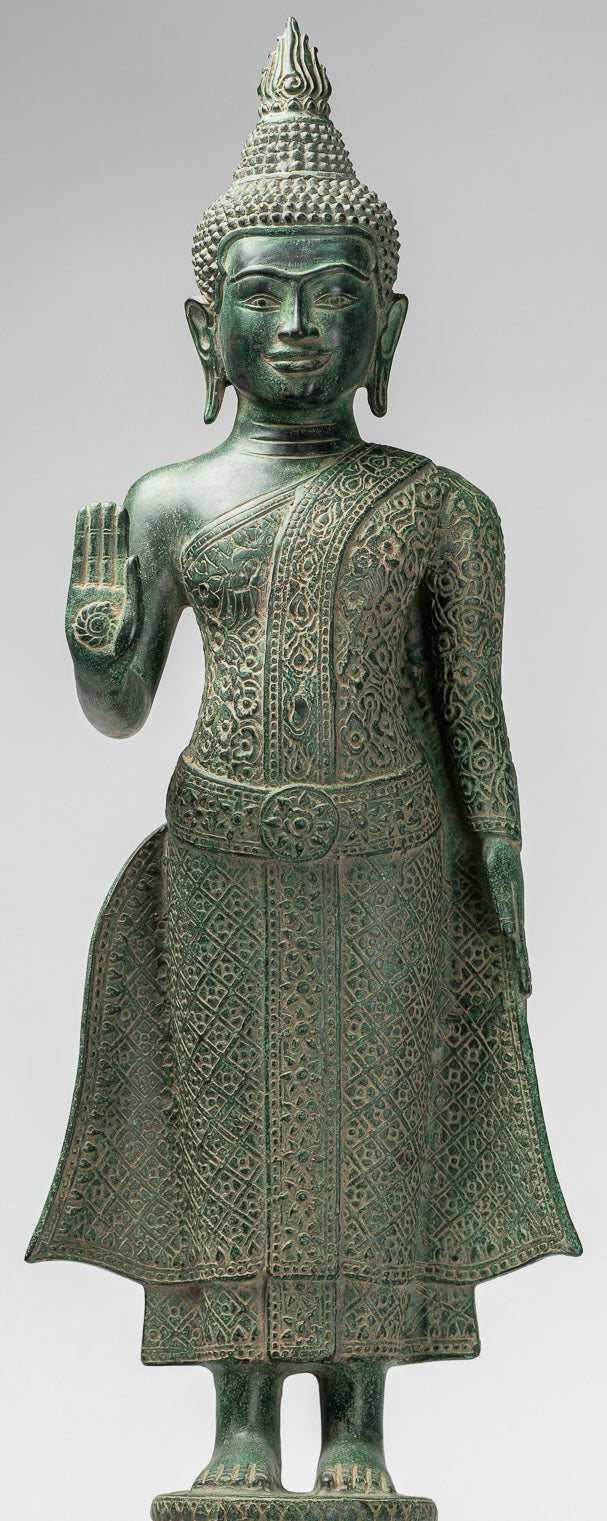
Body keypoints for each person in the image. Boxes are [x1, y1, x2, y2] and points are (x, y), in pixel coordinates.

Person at [27, 18, 580, 1502]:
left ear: (386, 328)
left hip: (395, 861)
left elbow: (476, 715)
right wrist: (96, 647)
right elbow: (121, 710)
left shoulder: (442, 510)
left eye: (332, 298)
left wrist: (502, 868)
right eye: (260, 295)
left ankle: (357, 1434)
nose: (294, 329)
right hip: (221, 852)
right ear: (200, 325)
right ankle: (235, 1432)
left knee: (371, 1146)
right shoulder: (168, 502)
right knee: (232, 1144)